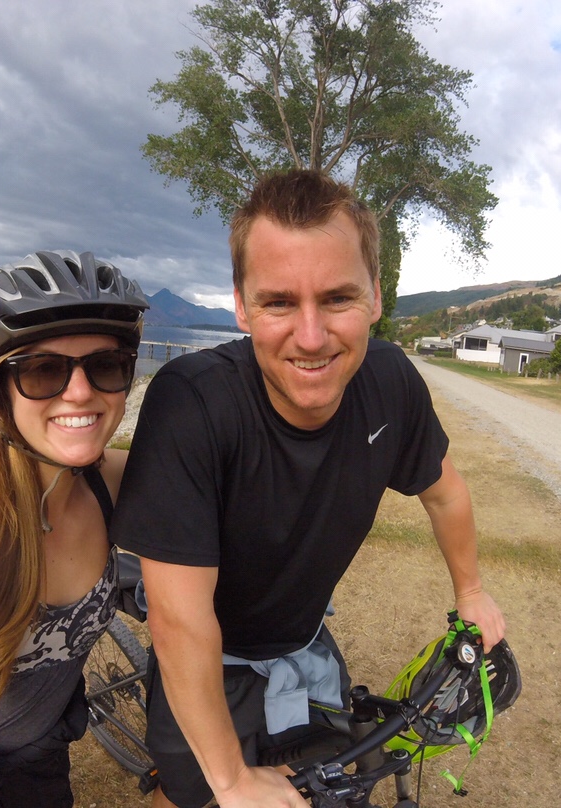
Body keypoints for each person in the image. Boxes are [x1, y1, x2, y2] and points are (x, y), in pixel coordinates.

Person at [112, 169, 506, 808]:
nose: (313, 336)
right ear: (241, 305)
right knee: (194, 797)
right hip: (208, 648)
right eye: (279, 302)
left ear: (376, 297)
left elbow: (445, 493)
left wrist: (472, 592)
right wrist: (232, 781)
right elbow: (182, 624)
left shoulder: (391, 383)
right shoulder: (193, 402)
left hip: (299, 638)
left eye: (338, 298)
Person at [0, 250, 148, 808]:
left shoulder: (110, 483)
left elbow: (232, 470)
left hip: (43, 749)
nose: (79, 392)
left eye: (105, 365)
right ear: (0, 390)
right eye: (44, 370)